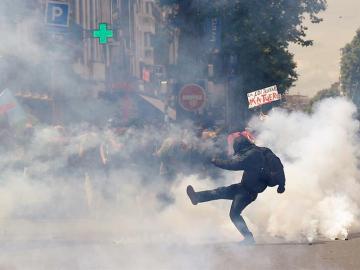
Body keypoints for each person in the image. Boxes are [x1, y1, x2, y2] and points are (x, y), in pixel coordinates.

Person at [186, 132, 286, 244]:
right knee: (221, 192)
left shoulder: (251, 155)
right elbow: (279, 168)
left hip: (247, 192)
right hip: (244, 187)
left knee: (234, 214)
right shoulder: (263, 151)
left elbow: (232, 164)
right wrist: (282, 185)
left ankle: (249, 239)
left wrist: (215, 161)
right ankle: (197, 197)